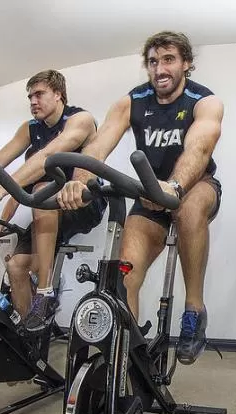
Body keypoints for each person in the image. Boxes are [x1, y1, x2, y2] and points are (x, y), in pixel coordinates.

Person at [58, 31, 224, 365]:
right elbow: (98, 144)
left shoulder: (205, 101)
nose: (160, 68)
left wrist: (174, 187)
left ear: (186, 64)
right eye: (153, 61)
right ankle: (128, 357)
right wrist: (79, 180)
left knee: (189, 209)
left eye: (168, 59)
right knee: (125, 275)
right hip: (149, 192)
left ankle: (194, 310)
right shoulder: (131, 101)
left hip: (194, 185)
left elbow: (199, 148)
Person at [0, 69, 100, 330]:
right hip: (48, 208)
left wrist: (2, 189)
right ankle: (32, 332)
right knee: (16, 266)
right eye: (29, 97)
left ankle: (45, 293)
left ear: (59, 95)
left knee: (42, 185)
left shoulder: (80, 119)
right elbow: (0, 159)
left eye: (39, 94)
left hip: (82, 201)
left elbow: (48, 158)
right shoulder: (30, 130)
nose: (33, 102)